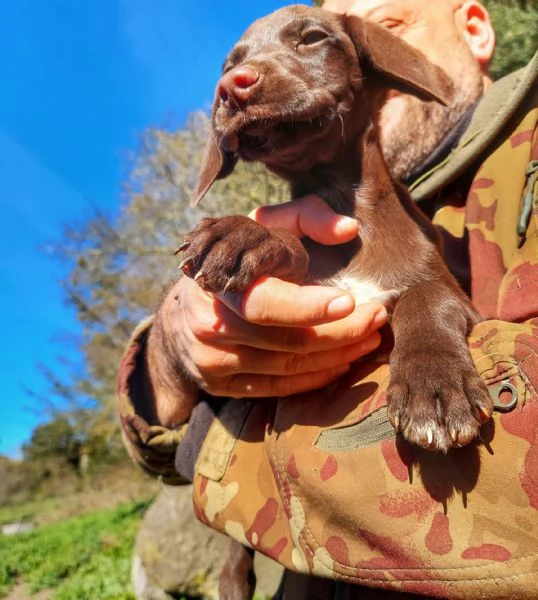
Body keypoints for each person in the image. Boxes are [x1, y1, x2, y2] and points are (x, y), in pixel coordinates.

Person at [117, 0, 538, 597]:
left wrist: (222, 453)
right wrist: (170, 350)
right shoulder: (276, 237)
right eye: (235, 67)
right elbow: (160, 439)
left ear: (473, 29)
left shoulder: (498, 176)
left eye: (385, 27)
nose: (241, 78)